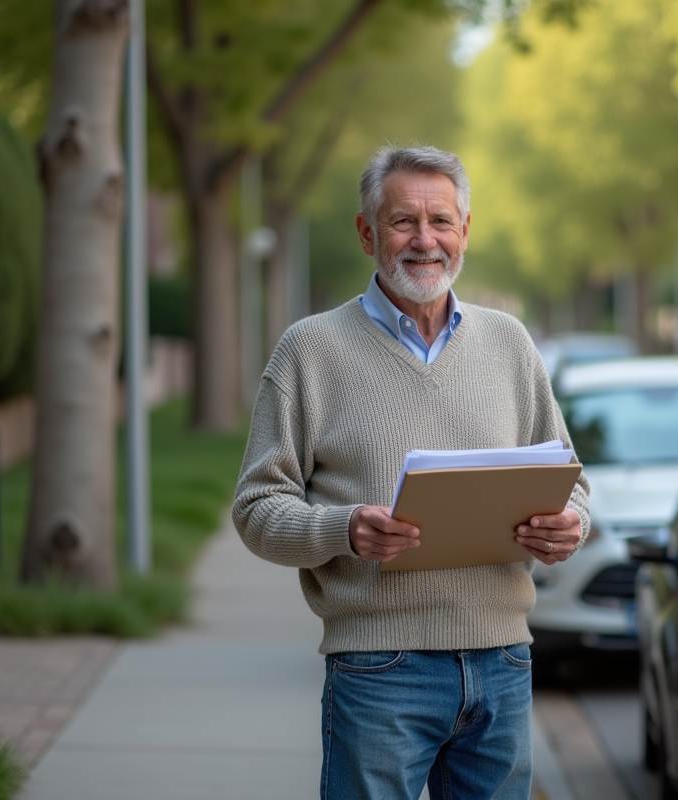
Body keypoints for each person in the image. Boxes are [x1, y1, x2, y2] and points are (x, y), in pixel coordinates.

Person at [231, 145, 591, 800]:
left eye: (441, 222)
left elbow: (574, 482)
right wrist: (344, 530)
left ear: (465, 231)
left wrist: (571, 527)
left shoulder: (510, 344)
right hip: (378, 668)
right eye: (403, 222)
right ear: (367, 231)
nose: (424, 240)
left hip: (504, 661)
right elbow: (257, 509)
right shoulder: (309, 351)